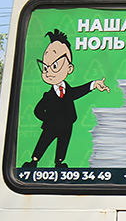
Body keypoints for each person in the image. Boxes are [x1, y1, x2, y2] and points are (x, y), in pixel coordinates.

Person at [22, 29, 110, 168]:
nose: (48, 72)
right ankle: (33, 161)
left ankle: (59, 163)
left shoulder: (68, 90)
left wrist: (93, 85)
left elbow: (77, 92)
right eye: (45, 67)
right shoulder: (48, 95)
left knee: (63, 144)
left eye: (54, 66)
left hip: (67, 125)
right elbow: (37, 111)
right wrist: (49, 118)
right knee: (43, 142)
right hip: (51, 126)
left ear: (69, 68)